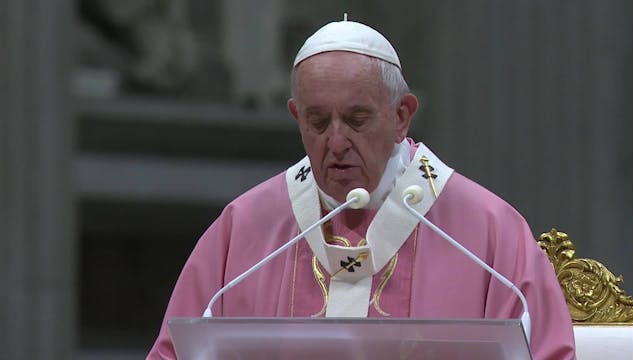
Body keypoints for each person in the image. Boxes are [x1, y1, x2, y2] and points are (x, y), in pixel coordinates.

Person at [147, 18, 576, 359]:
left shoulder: (487, 230)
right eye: (317, 122)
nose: (335, 143)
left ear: (402, 116)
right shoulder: (243, 229)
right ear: (296, 116)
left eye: (356, 120)